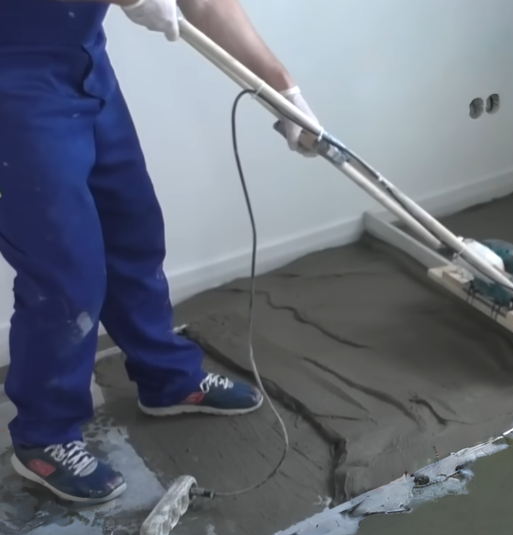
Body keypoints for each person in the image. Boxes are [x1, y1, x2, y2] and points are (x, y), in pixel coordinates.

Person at [0, 0, 319, 503]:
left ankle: (167, 377)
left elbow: (205, 2)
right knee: (64, 274)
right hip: (11, 82)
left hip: (83, 65)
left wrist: (283, 90)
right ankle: (44, 435)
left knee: (134, 232)